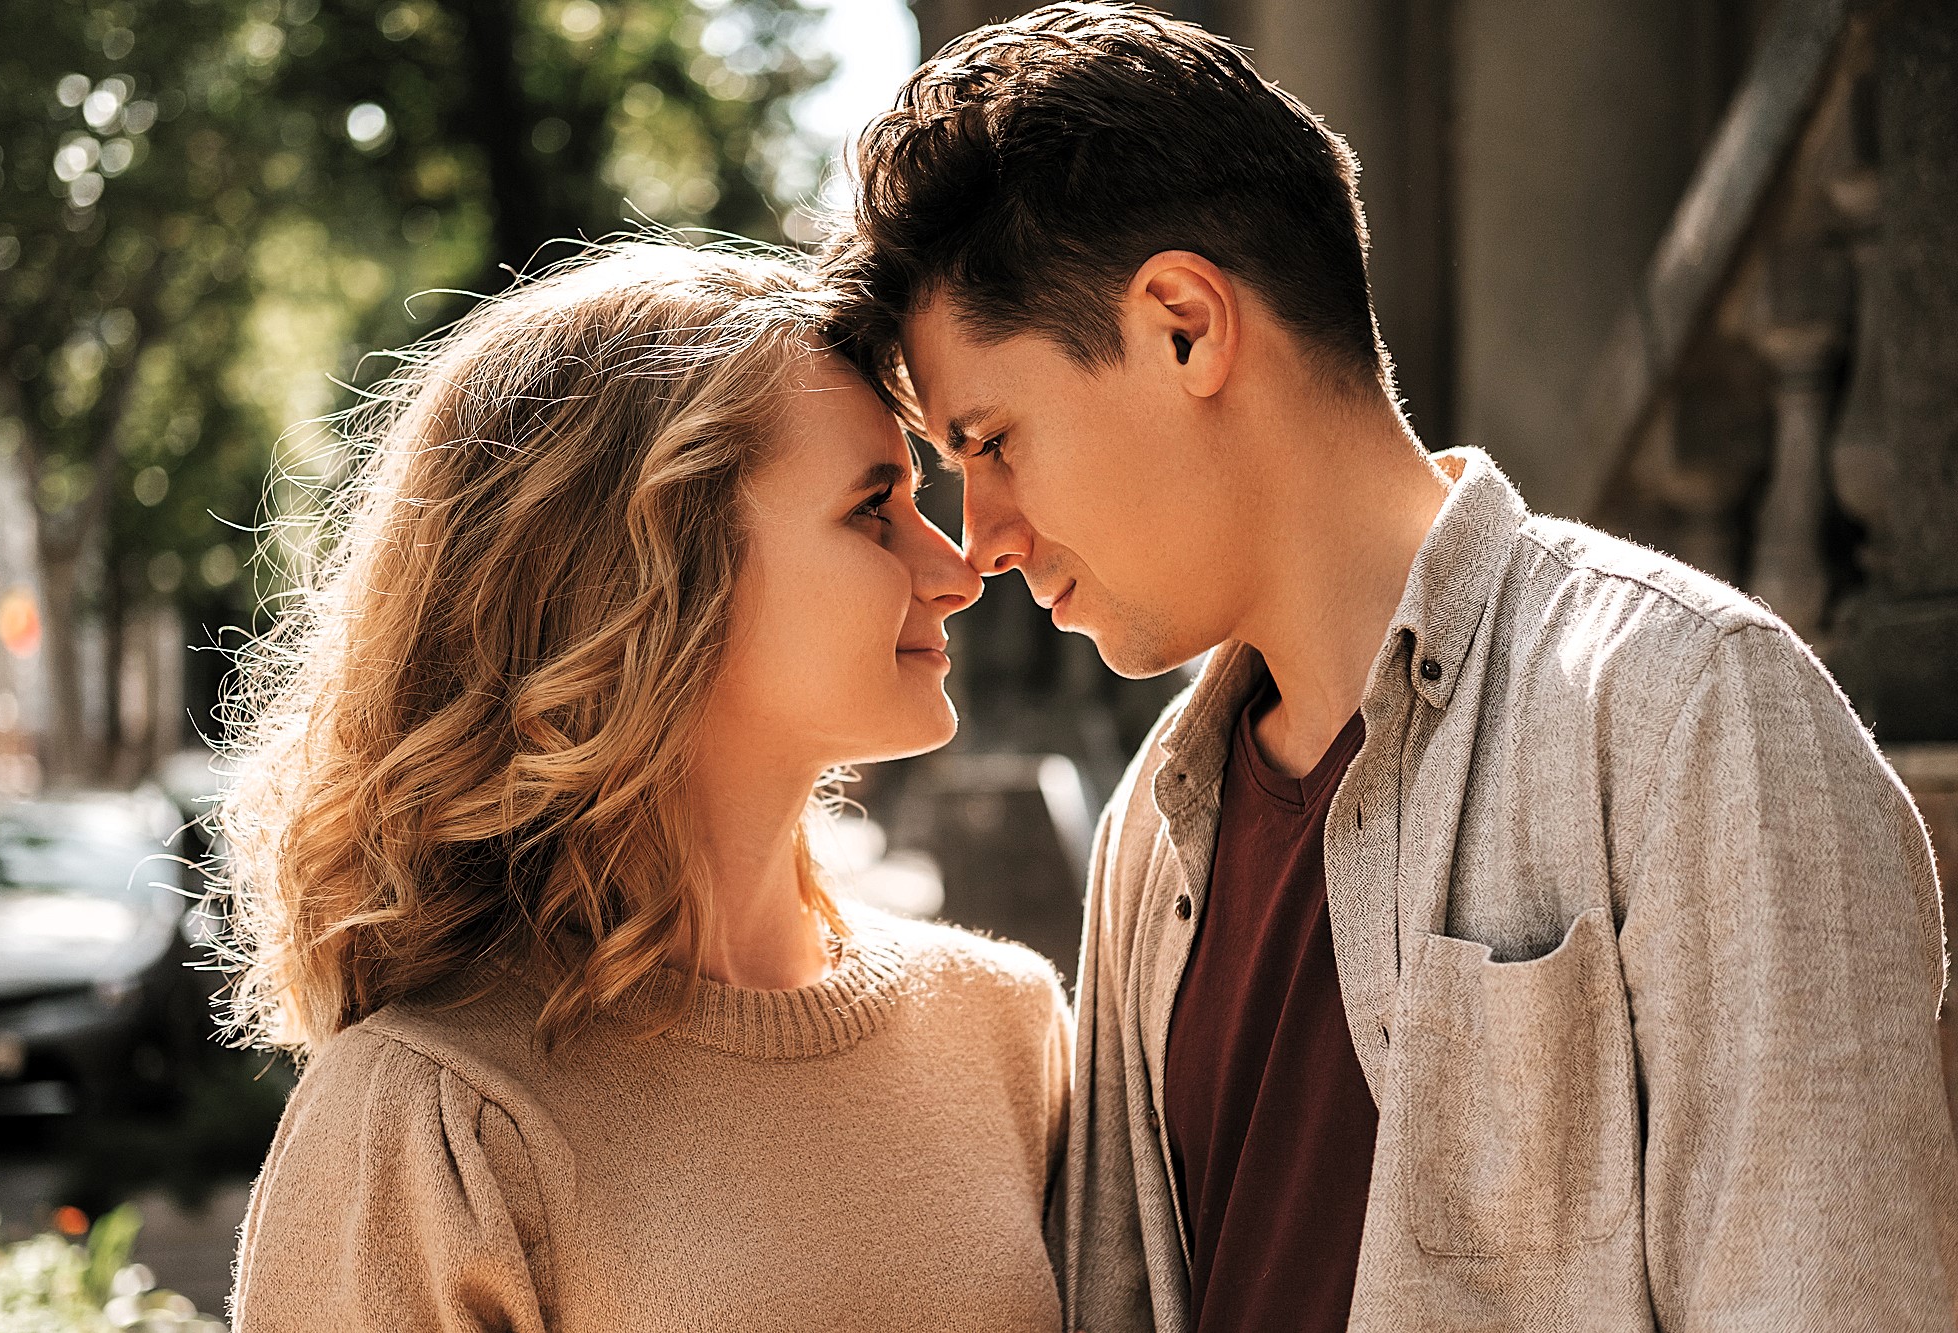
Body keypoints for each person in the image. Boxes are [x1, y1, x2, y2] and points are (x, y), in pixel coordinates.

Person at [823, 4, 1958, 1330]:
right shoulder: (1154, 831)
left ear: (1185, 326)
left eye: (994, 439)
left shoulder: (1692, 714)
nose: (989, 540)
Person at [216, 242, 1070, 1332]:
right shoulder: (435, 1120)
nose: (954, 571)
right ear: (647, 577)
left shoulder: (1003, 1031)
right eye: (871, 509)